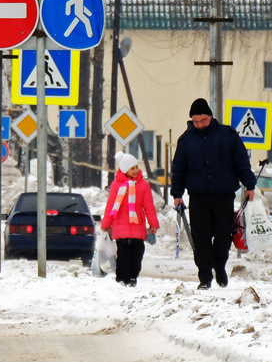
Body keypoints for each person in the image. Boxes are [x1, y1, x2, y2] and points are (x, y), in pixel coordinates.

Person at [170, 98, 257, 290]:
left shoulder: (227, 136)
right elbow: (179, 169)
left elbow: (241, 162)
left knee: (223, 237)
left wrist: (249, 185)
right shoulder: (186, 141)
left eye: (203, 120)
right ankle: (205, 276)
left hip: (223, 196)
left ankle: (220, 266)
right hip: (199, 197)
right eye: (196, 121)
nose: (200, 125)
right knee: (200, 239)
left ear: (210, 116)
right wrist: (177, 194)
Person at [100, 152, 159, 287]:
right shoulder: (116, 185)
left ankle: (133, 277)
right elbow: (111, 206)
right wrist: (106, 223)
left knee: (137, 256)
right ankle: (121, 278)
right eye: (132, 168)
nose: (136, 170)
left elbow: (149, 206)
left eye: (136, 167)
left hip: (138, 227)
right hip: (121, 228)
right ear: (125, 170)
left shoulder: (143, 185)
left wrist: (153, 223)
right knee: (123, 256)